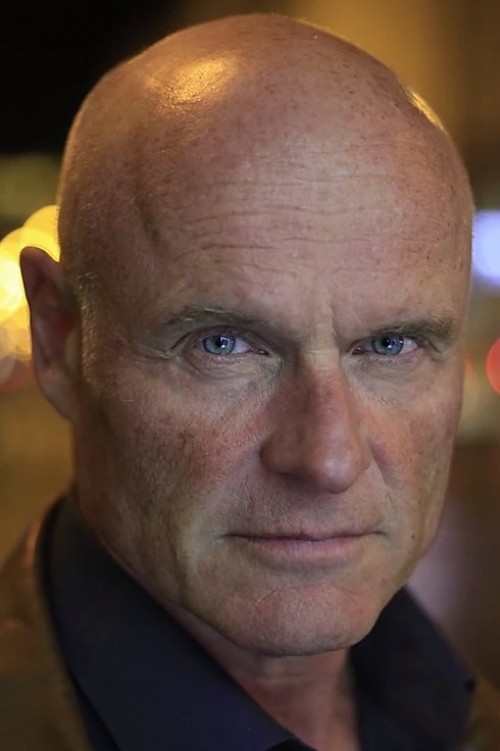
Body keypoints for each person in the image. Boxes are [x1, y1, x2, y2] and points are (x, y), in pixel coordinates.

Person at [0, 12, 499, 750]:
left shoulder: (459, 715)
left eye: (390, 345)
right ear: (60, 337)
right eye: (224, 344)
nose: (329, 458)